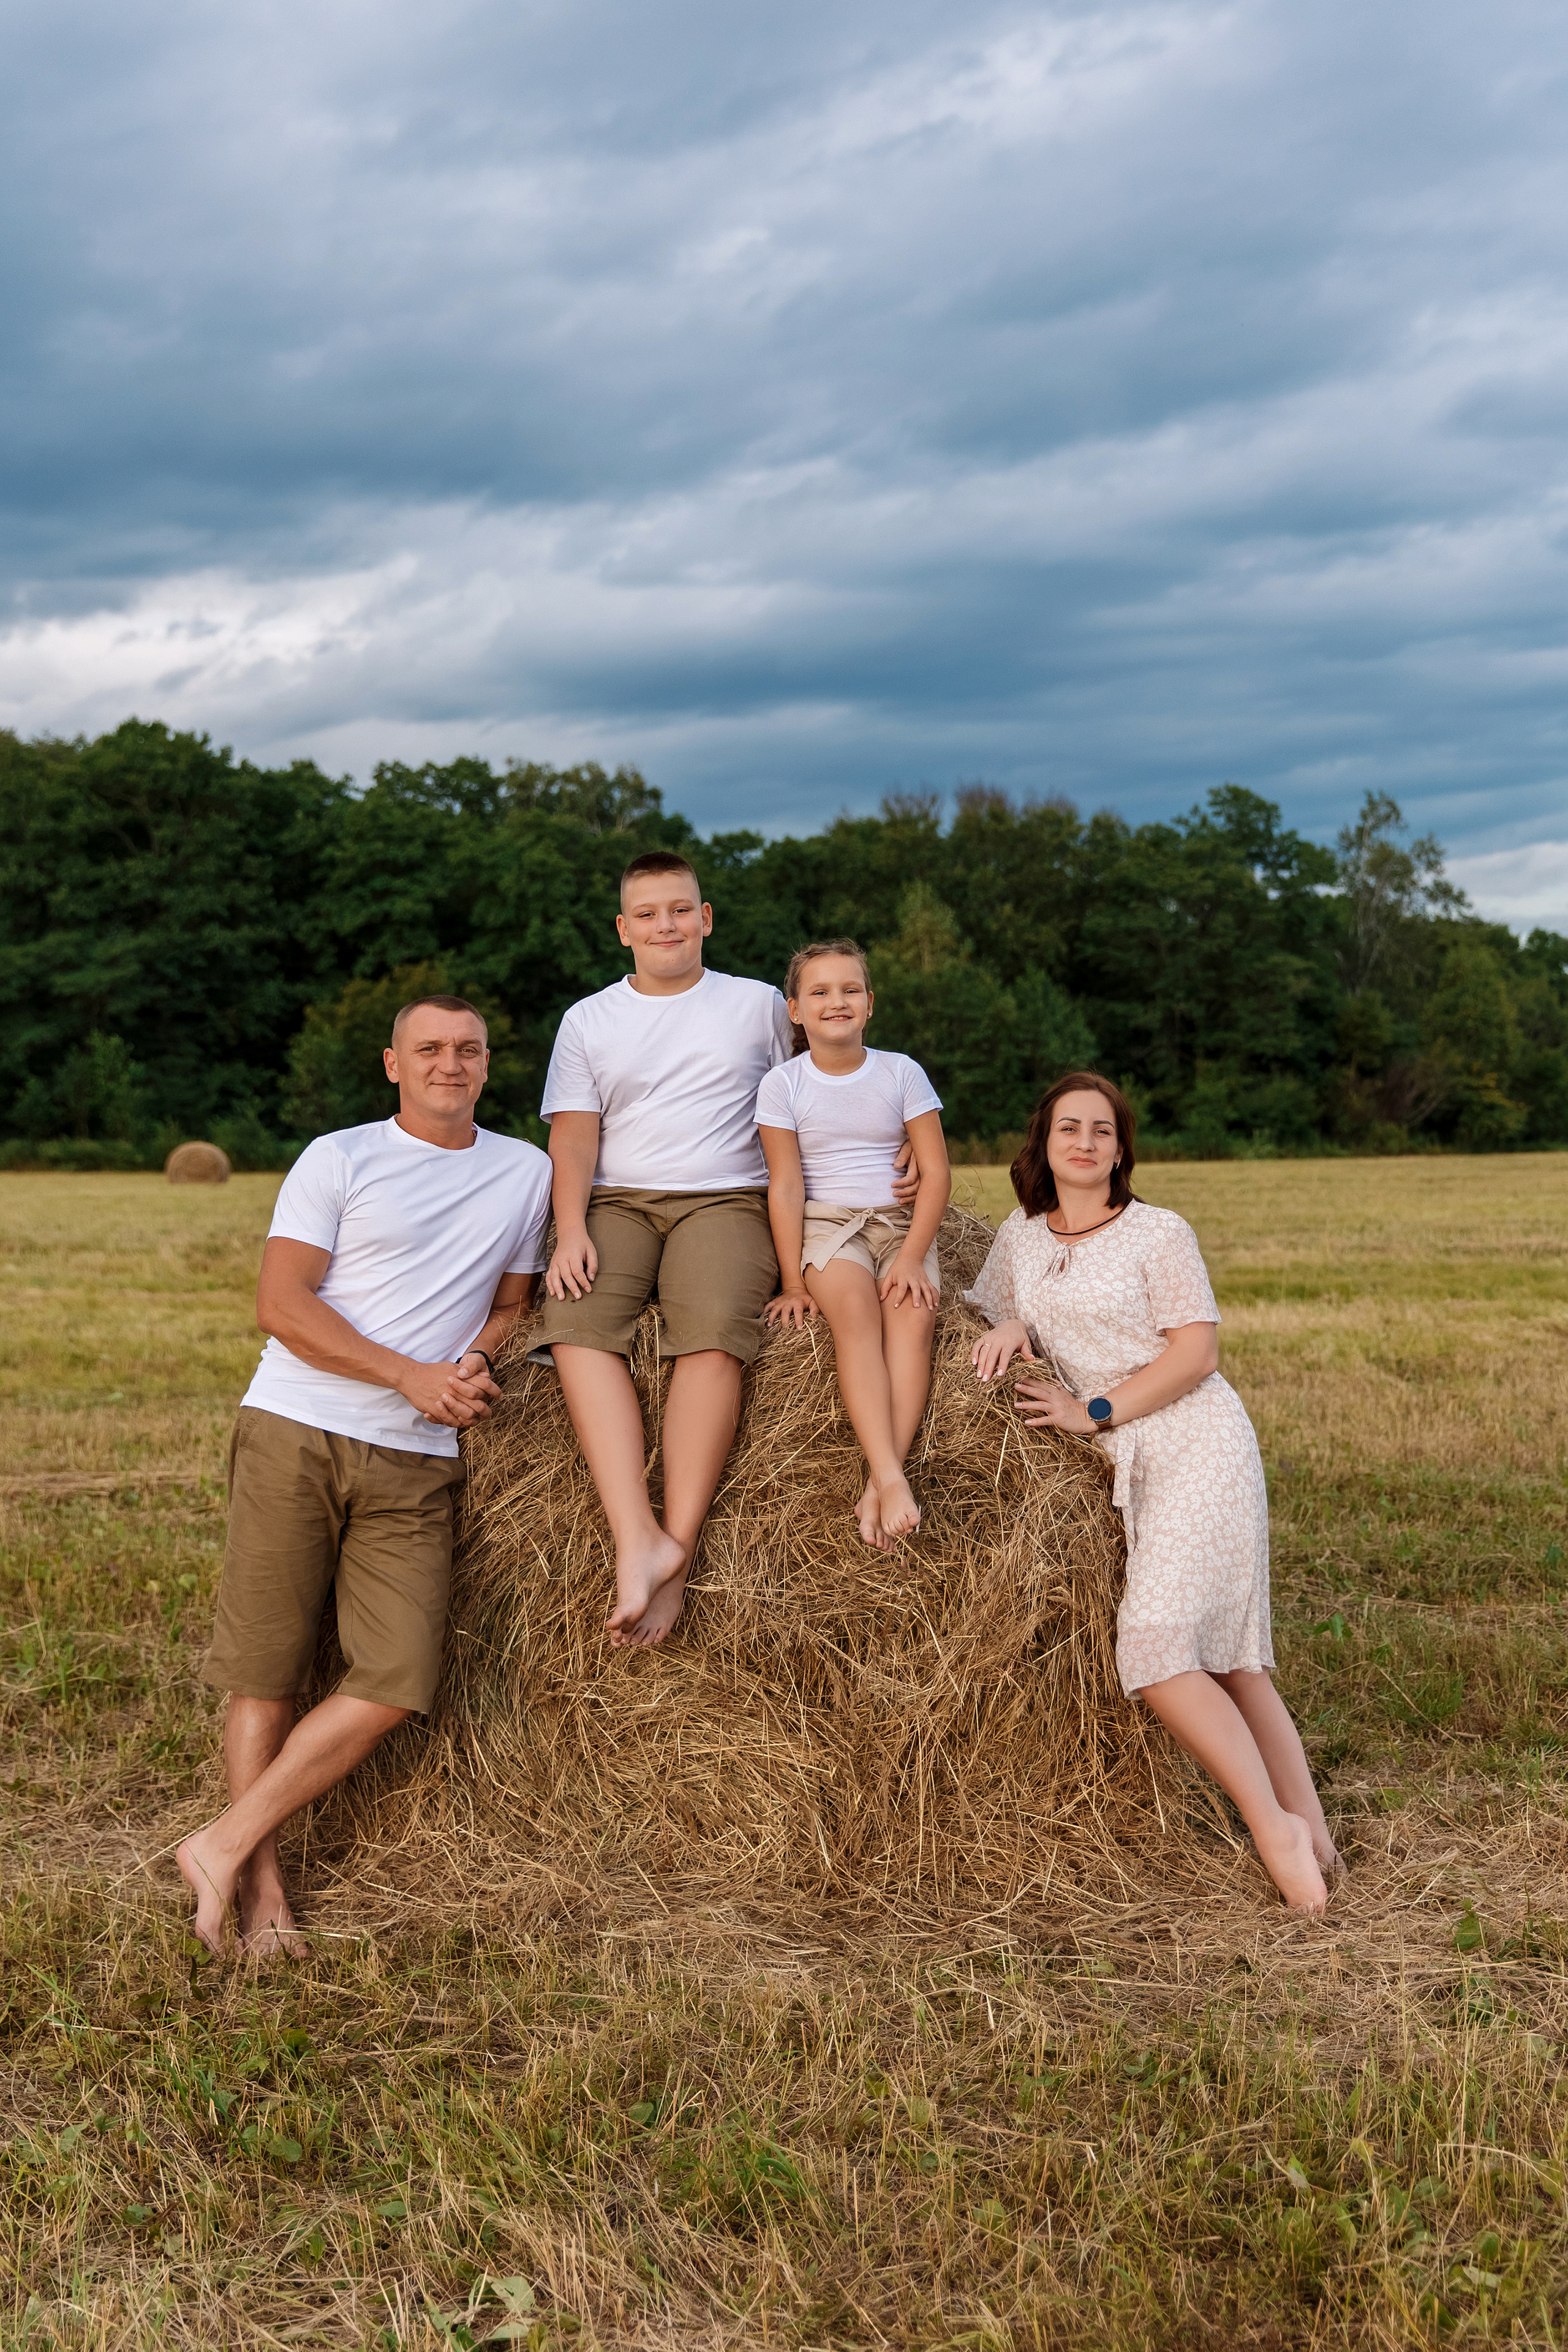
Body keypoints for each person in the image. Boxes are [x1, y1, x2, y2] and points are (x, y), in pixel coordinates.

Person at [178, 995, 552, 1958]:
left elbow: (512, 1302)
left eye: (467, 1049)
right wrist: (406, 1375)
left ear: (487, 1064)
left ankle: (219, 1843)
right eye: (428, 1048)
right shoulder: (339, 1157)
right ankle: (261, 1890)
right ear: (393, 1063)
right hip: (297, 1430)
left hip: (417, 1461)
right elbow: (280, 1303)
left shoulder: (526, 1171)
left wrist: (475, 1358)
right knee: (267, 1669)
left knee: (396, 1677)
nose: (449, 1064)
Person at [967, 1070, 1340, 1915]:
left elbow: (1196, 1353)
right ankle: (1318, 1840)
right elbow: (983, 1315)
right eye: (1069, 1128)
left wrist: (1091, 1411)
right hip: (1126, 1462)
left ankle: (1276, 1829)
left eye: (1102, 1130)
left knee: (1160, 1647)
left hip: (1196, 1441)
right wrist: (1014, 1322)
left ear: (1121, 1149)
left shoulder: (1158, 1231)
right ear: (1044, 1144)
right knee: (1233, 1666)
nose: (1085, 1142)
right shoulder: (1019, 1237)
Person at [757, 939, 951, 1549]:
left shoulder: (901, 1072)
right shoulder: (783, 1084)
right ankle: (892, 1477)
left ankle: (881, 1480)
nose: (835, 1001)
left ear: (870, 1003)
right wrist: (792, 1280)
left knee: (913, 1320)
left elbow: (936, 1173)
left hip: (899, 1225)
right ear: (795, 1010)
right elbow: (786, 1186)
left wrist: (913, 1256)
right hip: (827, 1225)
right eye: (819, 991)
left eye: (849, 990)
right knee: (856, 1316)